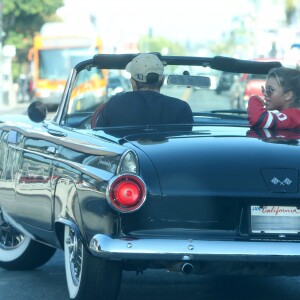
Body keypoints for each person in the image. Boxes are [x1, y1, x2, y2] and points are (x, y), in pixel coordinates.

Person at [95, 53, 193, 127]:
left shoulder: (114, 104)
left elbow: (100, 139)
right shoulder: (181, 109)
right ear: (162, 80)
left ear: (133, 82)